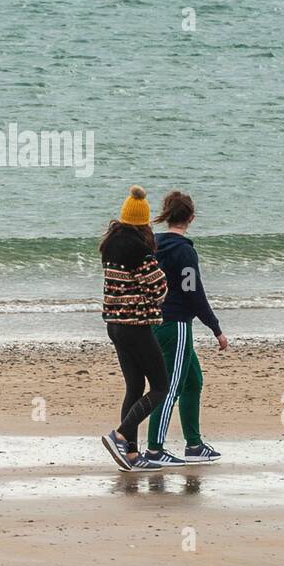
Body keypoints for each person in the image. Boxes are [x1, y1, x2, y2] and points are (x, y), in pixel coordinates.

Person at [143, 190, 227, 465]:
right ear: (191, 217)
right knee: (170, 387)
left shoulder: (153, 245)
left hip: (155, 322)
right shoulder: (185, 251)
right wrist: (215, 328)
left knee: (193, 381)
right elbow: (194, 293)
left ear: (167, 214)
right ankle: (154, 450)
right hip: (176, 324)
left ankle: (194, 445)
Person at [99, 186, 170, 471]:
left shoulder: (109, 244)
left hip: (114, 325)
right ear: (144, 221)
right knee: (161, 386)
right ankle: (119, 435)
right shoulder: (140, 250)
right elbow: (158, 288)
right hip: (135, 326)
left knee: (135, 386)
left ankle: (130, 454)